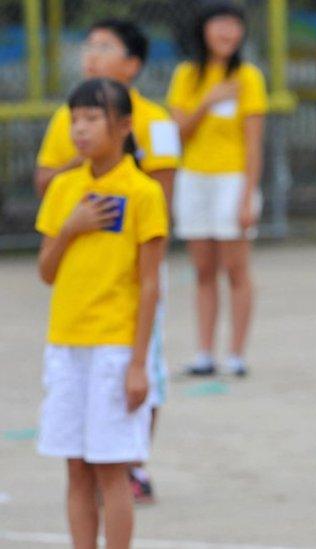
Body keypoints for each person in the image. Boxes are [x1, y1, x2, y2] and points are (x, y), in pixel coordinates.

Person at [34, 18, 179, 503]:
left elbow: (164, 188)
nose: (91, 54)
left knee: (144, 377)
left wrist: (122, 193)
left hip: (134, 273)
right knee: (76, 465)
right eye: (88, 44)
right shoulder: (67, 116)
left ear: (133, 64)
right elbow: (46, 177)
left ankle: (133, 461)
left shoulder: (157, 120)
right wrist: (81, 188)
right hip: (76, 301)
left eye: (105, 46)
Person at [167, 0, 267, 376]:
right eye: (219, 23)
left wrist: (247, 196)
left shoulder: (249, 78)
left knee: (235, 268)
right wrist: (207, 101)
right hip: (193, 179)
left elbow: (254, 143)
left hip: (232, 180)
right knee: (203, 269)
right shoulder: (186, 75)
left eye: (234, 24)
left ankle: (237, 355)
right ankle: (204, 353)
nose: (227, 31)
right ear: (203, 29)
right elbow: (178, 133)